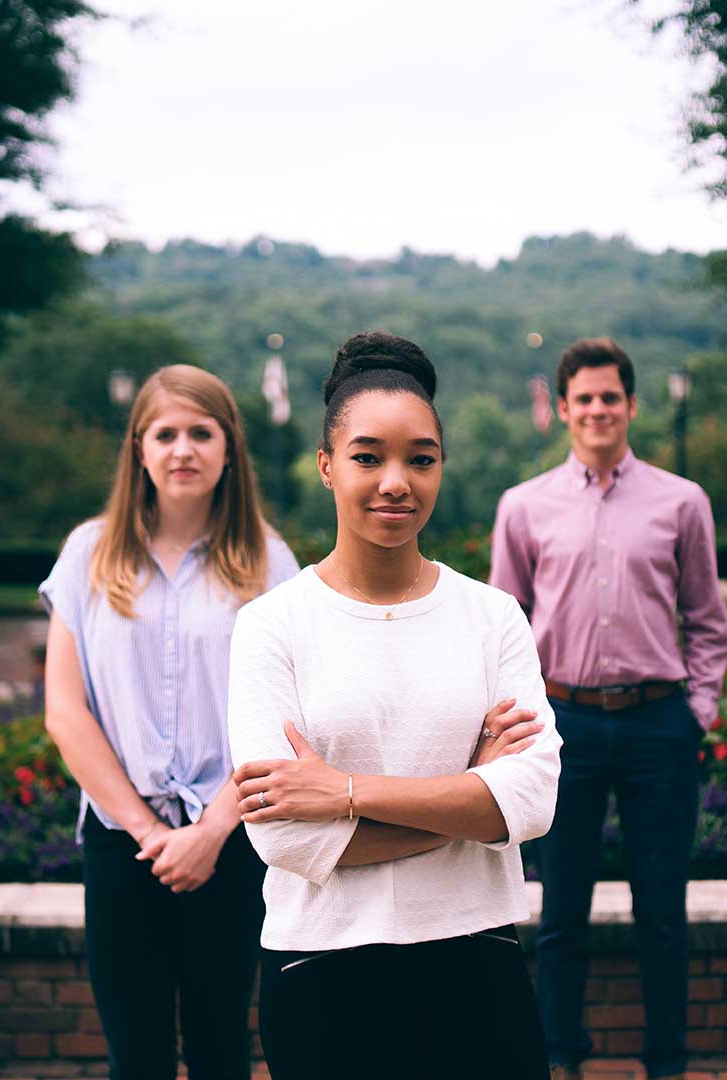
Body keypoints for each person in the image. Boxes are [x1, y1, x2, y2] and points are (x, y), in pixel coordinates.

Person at [225, 332, 561, 1079]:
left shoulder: (493, 616)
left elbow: (531, 803)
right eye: (368, 456)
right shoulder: (272, 626)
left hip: (477, 955)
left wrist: (342, 793)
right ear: (326, 464)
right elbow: (282, 841)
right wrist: (469, 798)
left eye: (421, 458)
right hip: (320, 970)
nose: (395, 482)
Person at [38, 365, 297, 1080]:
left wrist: (210, 833)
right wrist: (154, 835)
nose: (183, 449)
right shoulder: (89, 554)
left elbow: (282, 717)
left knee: (221, 1048)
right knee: (138, 1055)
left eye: (201, 433)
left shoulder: (269, 562)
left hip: (232, 840)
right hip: (125, 844)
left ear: (229, 449)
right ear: (139, 450)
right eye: (166, 433)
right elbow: (65, 710)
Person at [488, 336, 727, 1080]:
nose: (598, 409)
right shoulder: (523, 508)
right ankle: (561, 1058)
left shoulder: (681, 502)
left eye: (610, 396)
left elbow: (709, 620)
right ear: (562, 409)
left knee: (662, 913)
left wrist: (699, 708)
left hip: (660, 724)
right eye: (584, 398)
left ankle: (666, 1064)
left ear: (630, 404)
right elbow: (505, 627)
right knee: (561, 915)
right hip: (565, 728)